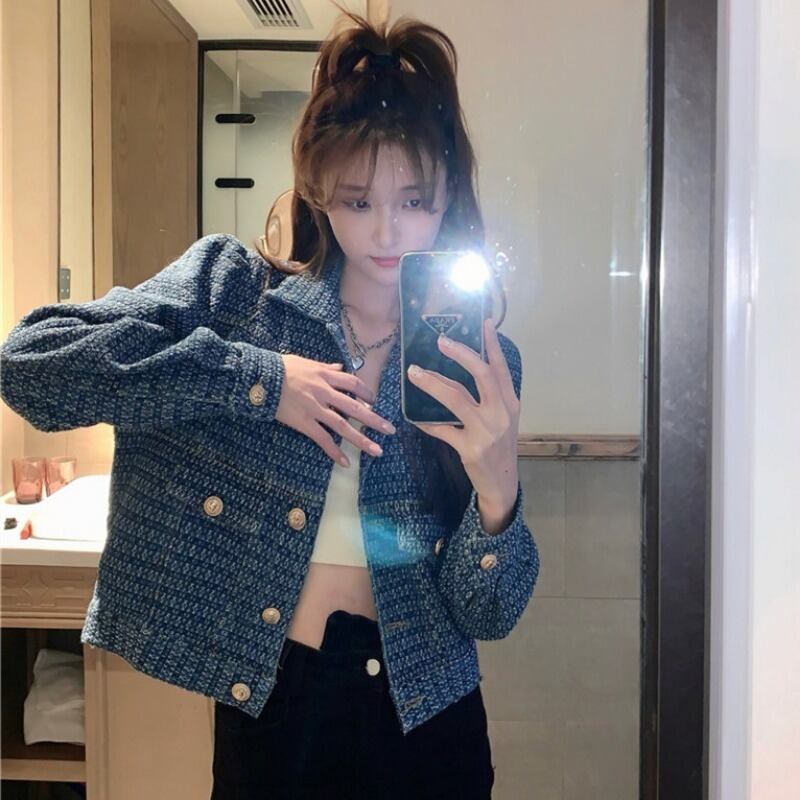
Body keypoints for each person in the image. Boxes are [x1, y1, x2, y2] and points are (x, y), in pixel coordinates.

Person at [0, 9, 539, 799]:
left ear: (448, 192)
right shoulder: (237, 296)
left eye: (415, 199)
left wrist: (498, 492)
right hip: (277, 710)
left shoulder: (482, 358)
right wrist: (260, 383)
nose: (388, 231)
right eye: (358, 201)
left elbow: (489, 614)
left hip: (429, 723)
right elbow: (31, 366)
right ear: (319, 192)